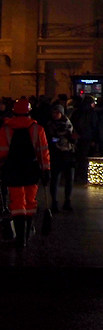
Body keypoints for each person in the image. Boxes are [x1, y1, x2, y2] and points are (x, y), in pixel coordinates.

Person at [0, 97, 51, 248]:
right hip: (31, 170)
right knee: (30, 202)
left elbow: (2, 152)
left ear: (14, 112)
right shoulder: (37, 129)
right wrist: (46, 170)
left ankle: (20, 238)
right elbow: (43, 152)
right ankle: (27, 234)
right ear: (29, 111)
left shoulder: (5, 130)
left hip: (13, 170)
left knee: (16, 203)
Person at [46, 103, 77, 212]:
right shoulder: (50, 125)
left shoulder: (68, 123)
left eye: (57, 112)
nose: (55, 115)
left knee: (69, 179)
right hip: (56, 154)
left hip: (68, 153)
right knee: (55, 179)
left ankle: (67, 201)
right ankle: (54, 202)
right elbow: (50, 139)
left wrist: (71, 138)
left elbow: (72, 137)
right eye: (54, 112)